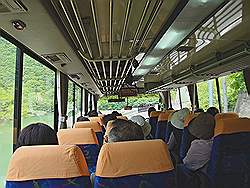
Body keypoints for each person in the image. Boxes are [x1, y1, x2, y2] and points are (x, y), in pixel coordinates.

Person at [176, 112, 215, 188]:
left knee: (179, 168)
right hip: (223, 173)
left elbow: (187, 163)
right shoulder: (221, 141)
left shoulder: (197, 145)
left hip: (204, 176)